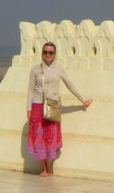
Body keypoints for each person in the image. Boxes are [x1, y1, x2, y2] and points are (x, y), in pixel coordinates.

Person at [26, 41, 92, 176]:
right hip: (38, 105)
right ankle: (43, 168)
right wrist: (28, 109)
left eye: (51, 52)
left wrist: (82, 100)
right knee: (38, 137)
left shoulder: (59, 69)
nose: (48, 55)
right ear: (42, 53)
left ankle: (49, 166)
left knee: (50, 136)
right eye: (45, 52)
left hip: (53, 106)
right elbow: (30, 89)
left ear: (55, 54)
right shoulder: (36, 69)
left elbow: (69, 84)